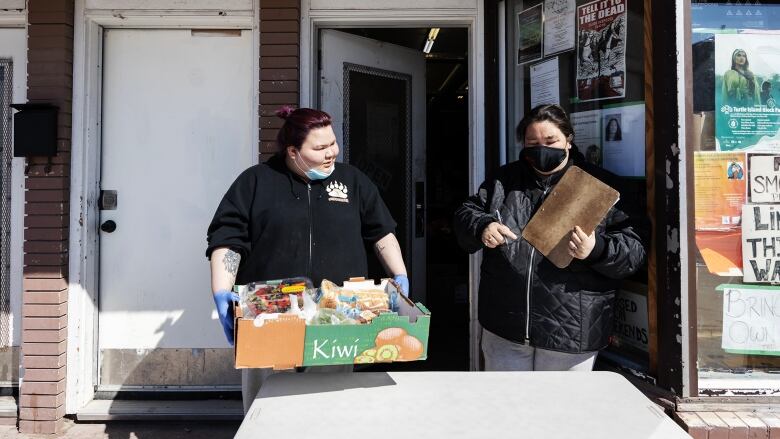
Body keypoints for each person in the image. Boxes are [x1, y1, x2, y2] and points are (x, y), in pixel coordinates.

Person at [206, 106, 409, 412]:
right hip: (270, 315)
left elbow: (382, 233)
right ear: (292, 151)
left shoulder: (352, 181)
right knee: (269, 411)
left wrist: (400, 276)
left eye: (333, 143)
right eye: (320, 148)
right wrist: (222, 291)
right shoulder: (256, 182)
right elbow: (227, 239)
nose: (332, 153)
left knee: (328, 410)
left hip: (338, 316)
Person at [453, 104, 645, 371]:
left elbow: (633, 252)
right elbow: (466, 213)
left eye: (551, 140)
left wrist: (596, 249)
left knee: (561, 411)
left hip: (570, 333)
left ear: (569, 139)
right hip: (505, 325)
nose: (542, 148)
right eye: (533, 142)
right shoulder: (504, 180)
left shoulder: (601, 186)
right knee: (506, 408)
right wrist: (482, 226)